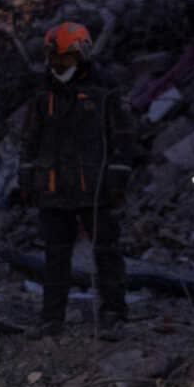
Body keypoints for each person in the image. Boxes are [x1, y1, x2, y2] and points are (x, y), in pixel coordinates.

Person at [20, 21, 137, 334]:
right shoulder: (43, 91)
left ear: (81, 55)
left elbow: (124, 136)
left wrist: (117, 177)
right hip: (54, 186)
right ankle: (51, 319)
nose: (58, 67)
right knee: (55, 255)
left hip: (95, 186)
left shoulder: (106, 88)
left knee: (107, 251)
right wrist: (27, 175)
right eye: (54, 60)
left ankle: (114, 313)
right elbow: (30, 136)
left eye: (65, 60)